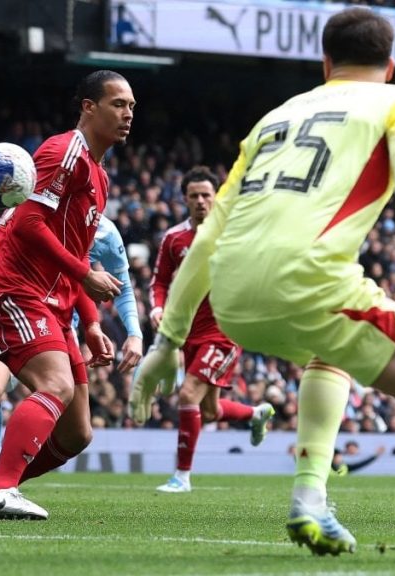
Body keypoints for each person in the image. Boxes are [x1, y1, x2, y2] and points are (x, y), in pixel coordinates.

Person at [131, 9, 395, 565]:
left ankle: (309, 498)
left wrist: (167, 343)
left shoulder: (274, 118)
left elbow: (210, 233)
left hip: (231, 295)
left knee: (325, 353)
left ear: (326, 63)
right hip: (308, 280)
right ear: (391, 65)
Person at [0, 69, 133, 520]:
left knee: (78, 433)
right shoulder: (64, 152)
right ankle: (0, 489)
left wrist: (93, 322)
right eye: (118, 104)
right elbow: (27, 223)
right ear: (88, 106)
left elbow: (73, 259)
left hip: (53, 302)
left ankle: (1, 482)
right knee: (55, 385)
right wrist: (86, 275)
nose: (128, 114)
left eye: (132, 107)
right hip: (14, 289)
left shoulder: (98, 175)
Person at [0, 213, 144, 474]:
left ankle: (3, 481)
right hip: (15, 308)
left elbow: (122, 286)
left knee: (78, 433)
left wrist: (134, 333)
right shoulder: (32, 211)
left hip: (61, 326)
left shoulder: (106, 234)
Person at [146, 165, 275, 494]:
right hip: (189, 333)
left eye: (206, 195)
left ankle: (181, 477)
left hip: (225, 331)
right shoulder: (174, 239)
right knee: (209, 410)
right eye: (194, 196)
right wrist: (158, 307)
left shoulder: (235, 234)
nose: (201, 201)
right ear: (185, 200)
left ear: (216, 198)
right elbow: (159, 281)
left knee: (187, 393)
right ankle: (255, 414)